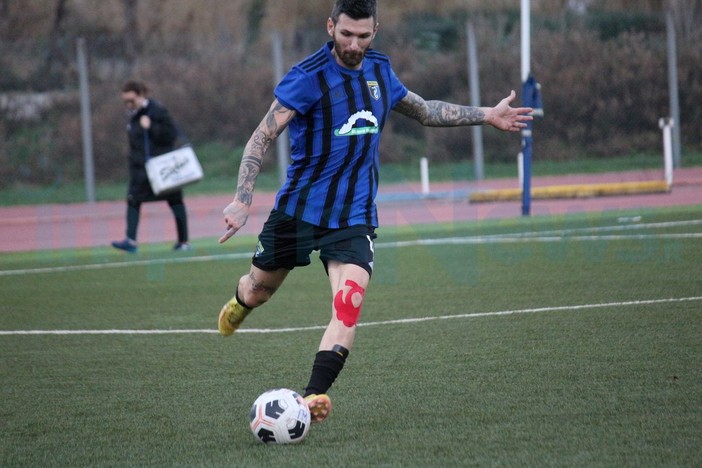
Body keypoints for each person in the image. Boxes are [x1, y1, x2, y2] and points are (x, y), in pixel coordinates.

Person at [217, 0, 532, 423]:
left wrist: (486, 115)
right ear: (330, 27)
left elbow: (425, 111)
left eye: (363, 36)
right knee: (258, 291)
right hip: (298, 212)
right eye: (346, 34)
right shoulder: (307, 77)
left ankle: (311, 399)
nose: (353, 44)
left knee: (348, 305)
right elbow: (260, 138)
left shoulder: (380, 71)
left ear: (375, 32)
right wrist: (243, 198)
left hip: (354, 216)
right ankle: (240, 303)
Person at [112, 80, 191, 253]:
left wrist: (152, 127)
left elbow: (170, 135)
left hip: (162, 168)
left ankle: (183, 242)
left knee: (175, 201)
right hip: (140, 169)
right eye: (125, 101)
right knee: (133, 199)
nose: (128, 104)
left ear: (141, 95)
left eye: (131, 100)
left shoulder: (156, 110)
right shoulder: (133, 114)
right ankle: (131, 241)